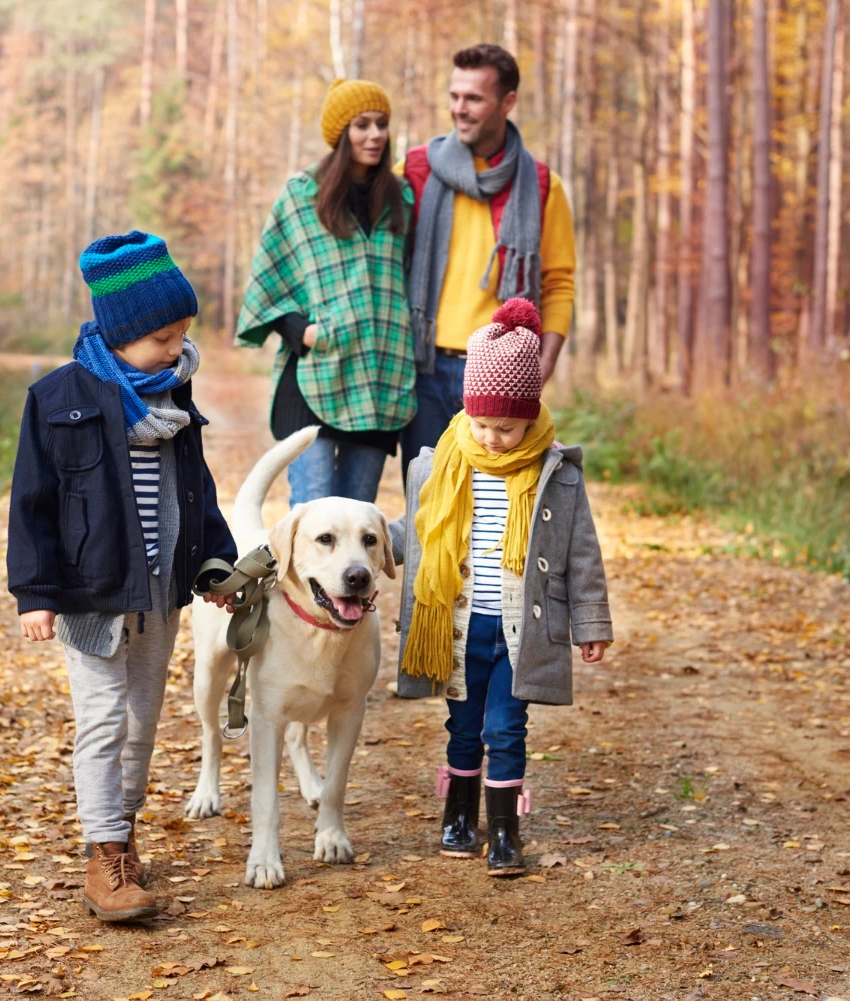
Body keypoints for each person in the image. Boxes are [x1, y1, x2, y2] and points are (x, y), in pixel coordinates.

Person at [6, 230, 237, 923]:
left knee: (141, 722)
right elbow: (32, 500)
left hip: (160, 593)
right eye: (162, 337)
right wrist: (35, 591)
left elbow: (197, 489)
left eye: (181, 335)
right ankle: (102, 852)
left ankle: (124, 833)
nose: (174, 350)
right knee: (103, 720)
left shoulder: (175, 399)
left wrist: (215, 565)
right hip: (90, 594)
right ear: (122, 332)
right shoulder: (58, 397)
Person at [389, 299, 612, 876]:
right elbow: (412, 533)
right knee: (463, 728)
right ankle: (459, 819)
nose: (491, 438)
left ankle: (505, 832)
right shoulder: (439, 466)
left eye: (507, 427)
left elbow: (581, 552)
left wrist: (591, 624)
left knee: (506, 729)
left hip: (520, 629)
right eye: (483, 424)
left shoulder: (554, 473)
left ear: (531, 416)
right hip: (461, 626)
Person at [398, 43, 576, 482]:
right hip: (424, 367)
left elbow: (558, 284)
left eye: (474, 98)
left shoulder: (541, 185)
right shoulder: (417, 170)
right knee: (426, 501)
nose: (460, 108)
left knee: (493, 507)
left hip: (502, 376)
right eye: (455, 95)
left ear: (507, 102)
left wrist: (543, 363)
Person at [237, 79, 416, 505]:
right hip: (314, 374)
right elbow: (268, 279)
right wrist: (303, 332)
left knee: (356, 520)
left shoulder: (402, 198)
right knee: (314, 514)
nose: (375, 135)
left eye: (382, 124)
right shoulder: (302, 196)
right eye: (362, 125)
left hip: (378, 376)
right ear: (341, 133)